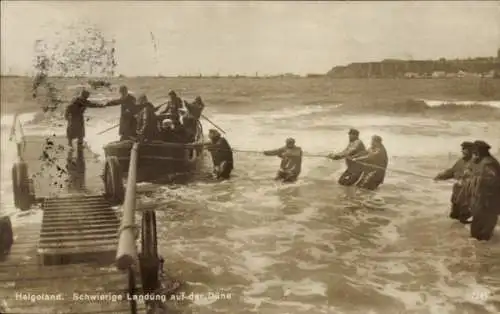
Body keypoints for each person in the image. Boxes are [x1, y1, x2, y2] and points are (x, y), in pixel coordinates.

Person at [433, 141, 475, 223]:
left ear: (471, 150)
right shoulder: (461, 161)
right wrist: (440, 176)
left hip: (468, 194)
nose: (462, 151)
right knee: (454, 216)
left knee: (464, 218)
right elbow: (452, 172)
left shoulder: (476, 163)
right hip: (457, 192)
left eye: (465, 149)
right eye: (462, 149)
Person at [468, 140, 500, 241]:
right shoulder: (484, 163)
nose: (473, 154)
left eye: (474, 151)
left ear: (478, 152)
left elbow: (492, 185)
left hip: (487, 206)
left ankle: (486, 256)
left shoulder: (488, 164)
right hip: (484, 205)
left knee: (480, 236)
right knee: (479, 236)